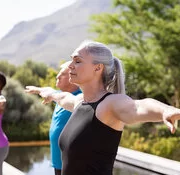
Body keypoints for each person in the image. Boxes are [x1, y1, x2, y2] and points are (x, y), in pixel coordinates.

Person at [25, 40, 180, 175]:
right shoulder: (80, 102)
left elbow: (138, 106)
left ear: (98, 68)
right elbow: (59, 96)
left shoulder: (109, 104)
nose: (70, 66)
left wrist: (165, 110)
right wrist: (42, 91)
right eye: (71, 60)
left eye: (77, 61)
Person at [46, 61, 81, 175]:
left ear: (72, 77)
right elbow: (47, 90)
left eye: (62, 74)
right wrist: (36, 89)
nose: (57, 76)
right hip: (58, 162)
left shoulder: (80, 99)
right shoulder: (59, 95)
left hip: (72, 164)